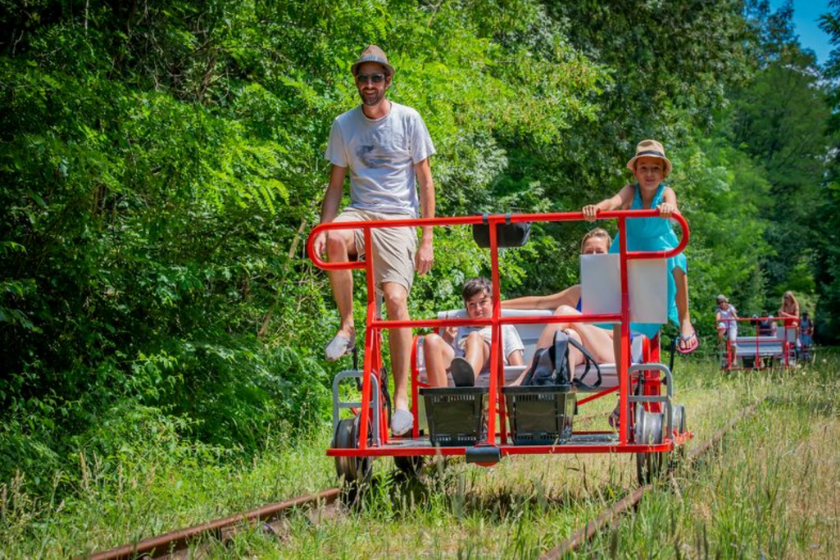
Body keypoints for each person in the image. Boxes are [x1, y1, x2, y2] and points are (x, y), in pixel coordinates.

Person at [312, 45, 436, 436]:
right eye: (363, 78)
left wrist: (427, 238)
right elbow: (335, 186)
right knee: (334, 237)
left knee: (395, 301)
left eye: (376, 78)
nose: (369, 85)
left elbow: (425, 181)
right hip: (361, 211)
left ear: (388, 80)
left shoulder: (408, 119)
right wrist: (322, 228)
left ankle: (400, 401)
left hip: (398, 218)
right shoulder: (343, 124)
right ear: (356, 81)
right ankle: (347, 327)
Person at [582, 140, 698, 354]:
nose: (649, 173)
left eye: (655, 169)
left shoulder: (666, 192)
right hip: (631, 245)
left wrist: (668, 209)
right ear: (635, 172)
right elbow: (612, 202)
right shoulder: (630, 191)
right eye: (643, 168)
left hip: (658, 246)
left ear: (663, 173)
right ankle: (617, 352)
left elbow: (674, 208)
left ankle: (685, 320)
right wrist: (596, 208)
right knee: (615, 293)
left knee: (678, 258)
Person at [424, 278, 525, 388]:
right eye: (472, 304)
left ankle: (466, 383)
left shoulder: (504, 327)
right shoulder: (458, 327)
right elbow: (445, 361)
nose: (478, 309)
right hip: (459, 361)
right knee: (431, 340)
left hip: (491, 367)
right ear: (467, 307)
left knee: (474, 337)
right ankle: (441, 396)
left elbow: (518, 367)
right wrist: (447, 340)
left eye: (483, 302)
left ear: (492, 302)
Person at [715, 295, 738, 365]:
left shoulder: (730, 307)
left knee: (732, 341)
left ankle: (734, 358)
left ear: (726, 302)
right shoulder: (718, 310)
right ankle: (721, 342)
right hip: (724, 323)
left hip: (732, 325)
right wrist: (717, 324)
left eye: (723, 302)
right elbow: (718, 317)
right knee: (720, 327)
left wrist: (736, 317)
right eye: (720, 303)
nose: (722, 304)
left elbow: (734, 314)